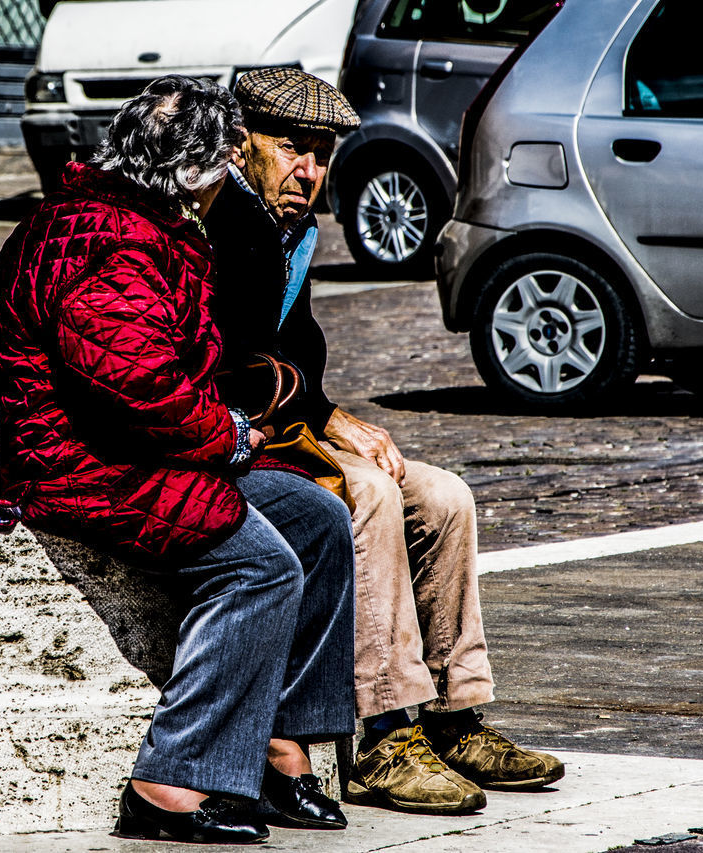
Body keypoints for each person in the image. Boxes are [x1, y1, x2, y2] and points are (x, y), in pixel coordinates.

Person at [0, 75, 355, 843]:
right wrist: (227, 435)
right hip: (88, 466)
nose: (227, 176)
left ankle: (282, 744)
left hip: (147, 453)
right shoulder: (101, 239)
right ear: (192, 168)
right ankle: (169, 779)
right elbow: (141, 391)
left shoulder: (146, 222)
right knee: (259, 564)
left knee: (319, 519)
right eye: (221, 161)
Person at [205, 67, 565, 816]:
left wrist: (326, 411)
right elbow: (236, 361)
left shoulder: (290, 227)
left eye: (321, 153)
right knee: (365, 493)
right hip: (232, 436)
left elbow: (295, 349)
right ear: (242, 146)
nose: (308, 170)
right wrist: (327, 417)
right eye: (289, 149)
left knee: (443, 496)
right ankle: (384, 731)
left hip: (286, 420)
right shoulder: (223, 219)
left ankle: (454, 713)